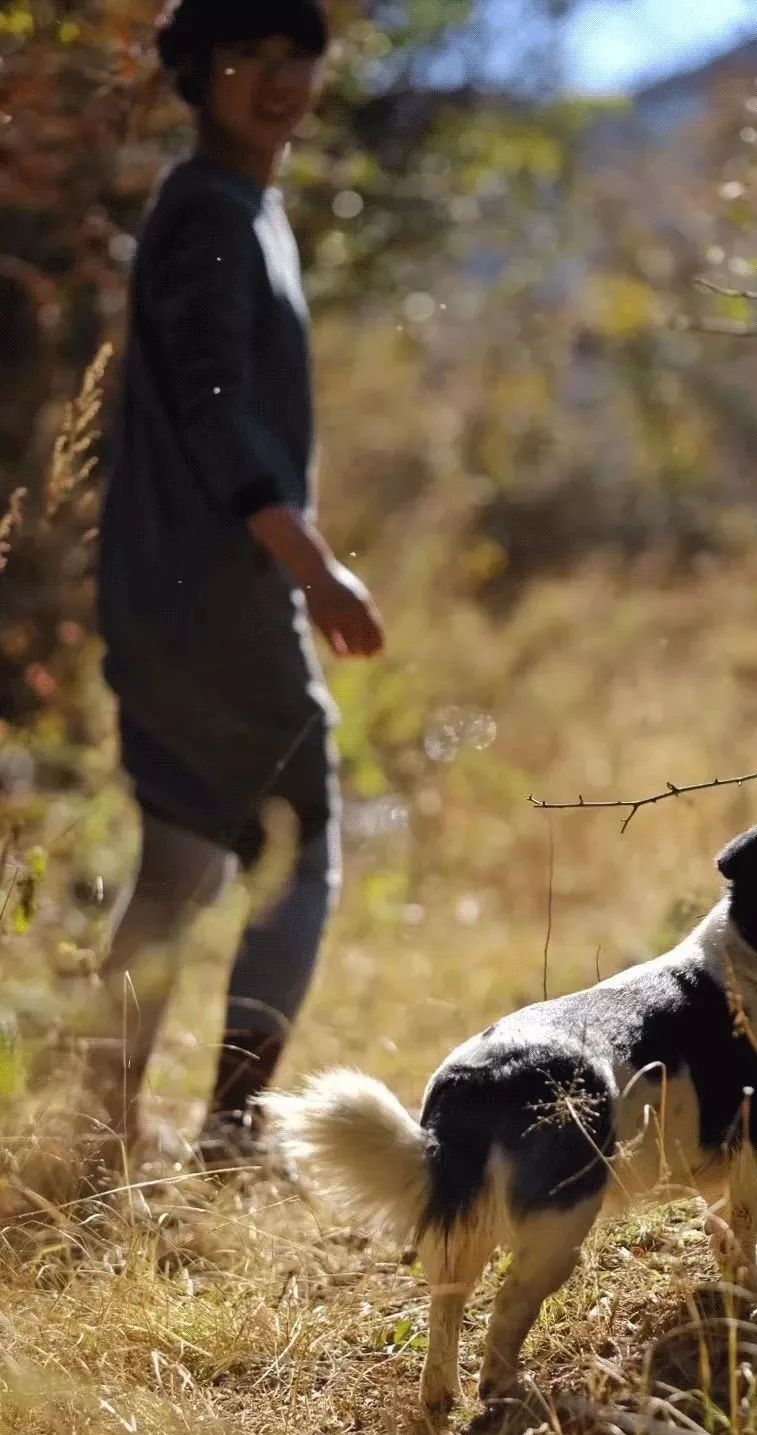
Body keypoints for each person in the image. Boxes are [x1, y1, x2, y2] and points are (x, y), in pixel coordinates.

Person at [90, 0, 384, 1169]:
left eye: (292, 55)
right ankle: (232, 1136)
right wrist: (310, 562)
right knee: (297, 846)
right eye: (242, 58)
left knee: (179, 857)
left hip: (160, 590)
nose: (273, 80)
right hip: (216, 592)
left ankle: (102, 1129)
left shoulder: (239, 206)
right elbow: (216, 409)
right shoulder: (212, 212)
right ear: (197, 77)